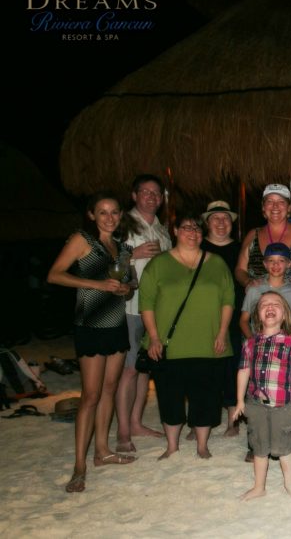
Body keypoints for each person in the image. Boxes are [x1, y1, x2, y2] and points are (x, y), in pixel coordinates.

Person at [48, 192, 136, 493]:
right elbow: (55, 275)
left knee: (110, 389)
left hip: (116, 325)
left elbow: (131, 284)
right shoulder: (82, 240)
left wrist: (126, 288)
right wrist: (96, 284)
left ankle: (102, 452)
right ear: (91, 215)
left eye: (114, 212)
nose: (109, 217)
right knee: (90, 396)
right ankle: (79, 466)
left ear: (121, 214)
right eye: (103, 212)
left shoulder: (123, 248)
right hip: (90, 325)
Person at [140, 209, 235, 460]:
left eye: (196, 228)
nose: (192, 233)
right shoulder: (159, 263)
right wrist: (153, 337)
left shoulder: (216, 262)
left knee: (206, 393)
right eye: (186, 228)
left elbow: (228, 299)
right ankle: (172, 445)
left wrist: (223, 332)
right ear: (175, 231)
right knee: (169, 394)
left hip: (208, 339)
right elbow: (146, 302)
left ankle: (202, 445)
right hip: (169, 344)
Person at [232, 291, 291, 500]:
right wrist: (240, 400)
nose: (270, 307)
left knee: (283, 446)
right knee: (259, 446)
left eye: (276, 304)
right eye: (264, 305)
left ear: (284, 314)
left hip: (283, 405)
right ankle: (259, 486)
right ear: (257, 315)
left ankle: (289, 483)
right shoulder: (250, 344)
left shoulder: (290, 342)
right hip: (256, 404)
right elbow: (243, 371)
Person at [118, 174, 171, 452]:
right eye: (146, 192)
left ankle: (136, 422)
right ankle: (123, 431)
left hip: (156, 308)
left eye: (156, 193)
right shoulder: (122, 223)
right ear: (134, 195)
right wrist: (131, 254)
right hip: (129, 306)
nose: (152, 197)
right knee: (127, 369)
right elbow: (102, 260)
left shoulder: (163, 230)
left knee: (143, 368)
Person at [200, 200, 245, 437]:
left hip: (236, 314)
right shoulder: (196, 248)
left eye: (225, 218)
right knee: (204, 367)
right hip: (203, 315)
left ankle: (232, 420)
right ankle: (202, 420)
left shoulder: (240, 249)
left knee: (233, 364)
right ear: (206, 223)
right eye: (215, 218)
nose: (220, 222)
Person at [235, 184, 291, 301]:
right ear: (263, 207)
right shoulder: (252, 234)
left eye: (281, 201)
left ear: (289, 207)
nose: (275, 206)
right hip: (259, 305)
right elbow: (240, 269)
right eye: (270, 201)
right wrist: (247, 281)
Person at [238, 243, 291, 339]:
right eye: (271, 260)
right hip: (257, 344)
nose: (276, 264)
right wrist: (252, 341)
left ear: (289, 264)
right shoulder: (254, 289)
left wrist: (290, 343)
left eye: (281, 260)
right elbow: (243, 321)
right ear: (265, 264)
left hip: (283, 346)